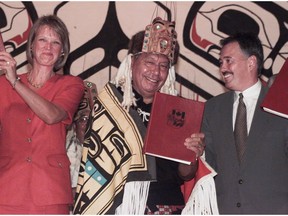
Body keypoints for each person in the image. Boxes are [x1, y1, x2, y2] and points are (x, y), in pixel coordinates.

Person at [73, 17, 210, 215]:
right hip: (121, 205)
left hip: (169, 205)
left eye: (164, 65)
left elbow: (185, 175)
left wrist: (192, 154)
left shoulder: (177, 109)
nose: (156, 72)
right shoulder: (109, 104)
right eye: (150, 62)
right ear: (132, 62)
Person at [0, 15, 84, 214]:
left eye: (56, 42)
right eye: (43, 40)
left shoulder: (72, 84)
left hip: (50, 192)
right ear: (31, 46)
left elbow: (52, 115)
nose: (48, 47)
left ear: (63, 50)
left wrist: (15, 82)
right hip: (7, 189)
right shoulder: (2, 85)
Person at [198, 32, 288, 214]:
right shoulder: (212, 108)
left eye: (228, 61)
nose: (223, 68)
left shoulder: (280, 103)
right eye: (220, 62)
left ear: (251, 62)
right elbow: (208, 165)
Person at [66, 81, 97, 198]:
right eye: (83, 119)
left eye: (93, 119)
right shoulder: (62, 153)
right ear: (74, 126)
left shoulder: (106, 153)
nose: (89, 123)